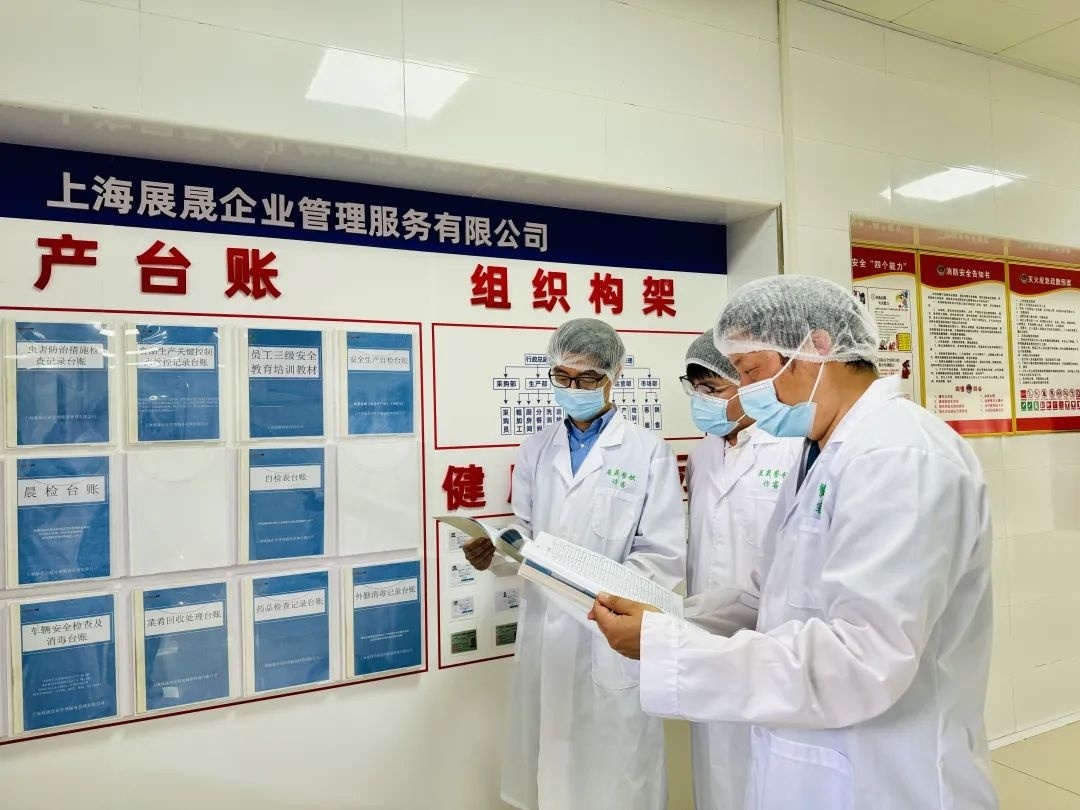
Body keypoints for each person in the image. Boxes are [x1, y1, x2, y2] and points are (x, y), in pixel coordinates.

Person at [590, 276, 997, 810]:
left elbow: (863, 659)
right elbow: (766, 598)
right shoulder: (823, 451)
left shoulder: (900, 456)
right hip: (818, 760)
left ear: (817, 347)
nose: (747, 394)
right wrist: (669, 619)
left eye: (750, 372)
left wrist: (670, 648)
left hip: (886, 777)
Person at [464, 317, 685, 810]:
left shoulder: (648, 453)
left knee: (616, 781)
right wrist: (495, 553)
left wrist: (600, 593)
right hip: (546, 632)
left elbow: (663, 554)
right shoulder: (537, 449)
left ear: (614, 375)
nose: (573, 388)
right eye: (563, 376)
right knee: (551, 775)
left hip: (607, 633)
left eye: (587, 378)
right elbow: (524, 533)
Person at [680, 330, 802, 810]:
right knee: (714, 769)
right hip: (706, 633)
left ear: (748, 384)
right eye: (696, 389)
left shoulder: (790, 447)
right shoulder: (703, 454)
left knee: (762, 772)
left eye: (714, 389)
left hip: (768, 638)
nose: (703, 401)